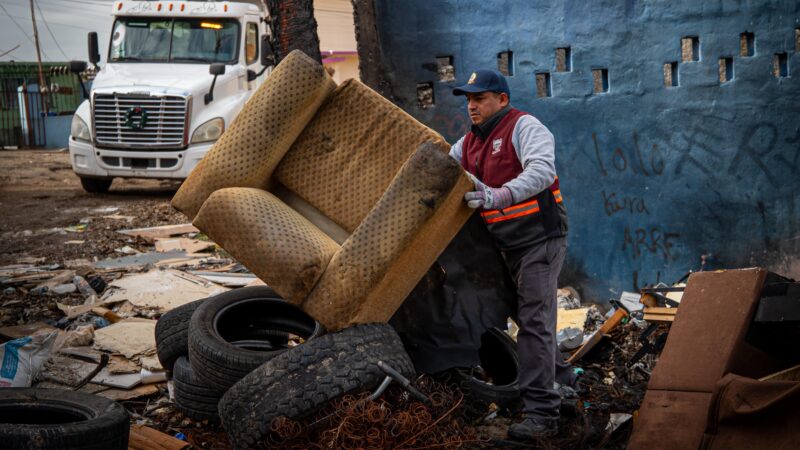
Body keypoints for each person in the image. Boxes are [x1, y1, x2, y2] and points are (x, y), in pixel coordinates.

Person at [448, 69, 570, 440]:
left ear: (502, 99)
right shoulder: (467, 144)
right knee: (527, 317)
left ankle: (543, 417)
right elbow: (439, 168)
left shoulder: (525, 127)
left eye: (480, 98)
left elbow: (541, 172)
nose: (472, 105)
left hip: (539, 239)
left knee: (533, 323)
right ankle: (565, 388)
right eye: (468, 99)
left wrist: (497, 195)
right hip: (503, 244)